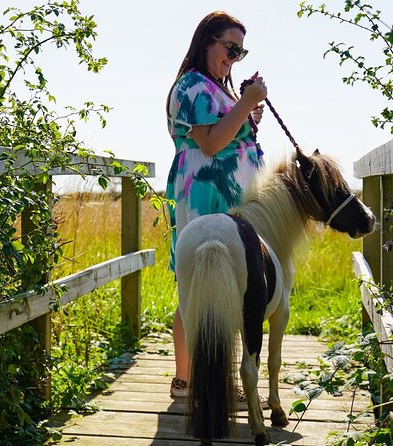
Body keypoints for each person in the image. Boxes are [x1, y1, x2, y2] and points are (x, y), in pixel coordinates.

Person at [165, 10, 267, 398]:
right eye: (230, 48)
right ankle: (186, 378)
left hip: (230, 195)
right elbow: (209, 142)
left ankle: (220, 381)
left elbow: (228, 132)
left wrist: (247, 112)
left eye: (240, 53)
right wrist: (248, 102)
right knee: (197, 282)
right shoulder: (191, 85)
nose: (234, 58)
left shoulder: (216, 88)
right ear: (207, 41)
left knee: (233, 283)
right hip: (206, 192)